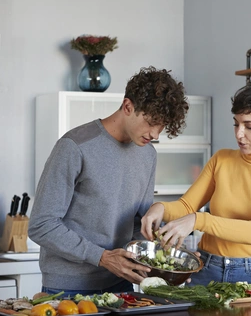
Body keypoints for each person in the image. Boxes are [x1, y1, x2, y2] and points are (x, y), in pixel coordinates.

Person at [28, 67, 189, 297]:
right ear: (127, 107)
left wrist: (167, 257)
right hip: (68, 287)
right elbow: (41, 225)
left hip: (121, 283)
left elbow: (138, 226)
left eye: (161, 126)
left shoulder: (148, 155)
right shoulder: (75, 146)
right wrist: (102, 258)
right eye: (151, 122)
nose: (155, 134)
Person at [141, 84, 251, 286]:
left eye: (249, 126)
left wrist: (198, 220)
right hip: (205, 265)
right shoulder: (222, 159)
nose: (239, 134)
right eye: (236, 124)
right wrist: (159, 207)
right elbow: (186, 206)